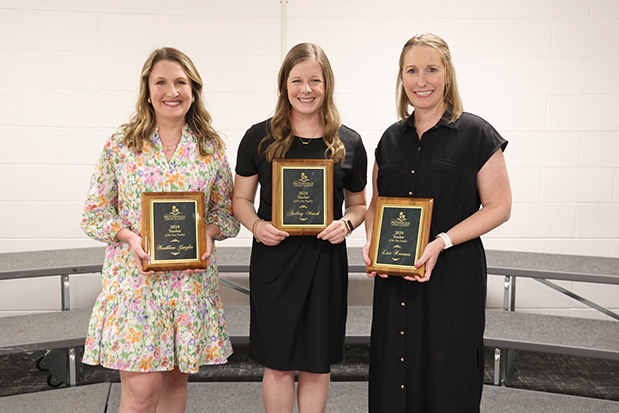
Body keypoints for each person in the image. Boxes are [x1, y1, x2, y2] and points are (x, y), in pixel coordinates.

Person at [81, 47, 239, 413]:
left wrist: (209, 235)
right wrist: (130, 237)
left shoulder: (209, 147)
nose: (172, 91)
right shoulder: (121, 144)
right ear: (147, 90)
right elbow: (94, 213)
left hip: (189, 286)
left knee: (174, 382)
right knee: (139, 396)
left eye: (181, 82)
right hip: (136, 286)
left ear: (193, 89)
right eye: (162, 82)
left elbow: (227, 212)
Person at [362, 33, 512, 412]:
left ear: (447, 75)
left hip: (451, 277)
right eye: (411, 71)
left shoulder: (476, 134)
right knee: (393, 378)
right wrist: (371, 239)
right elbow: (376, 205)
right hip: (395, 279)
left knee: (448, 376)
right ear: (402, 77)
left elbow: (499, 206)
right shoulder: (389, 140)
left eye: (431, 69)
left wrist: (441, 241)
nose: (421, 80)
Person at [233, 43, 367, 413]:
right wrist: (258, 226)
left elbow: (358, 205)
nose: (306, 89)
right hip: (274, 263)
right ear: (284, 85)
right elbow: (240, 200)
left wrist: (346, 224)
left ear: (327, 84)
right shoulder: (258, 137)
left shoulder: (349, 142)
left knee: (316, 364)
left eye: (314, 80)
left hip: (325, 263)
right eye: (297, 80)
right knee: (277, 364)